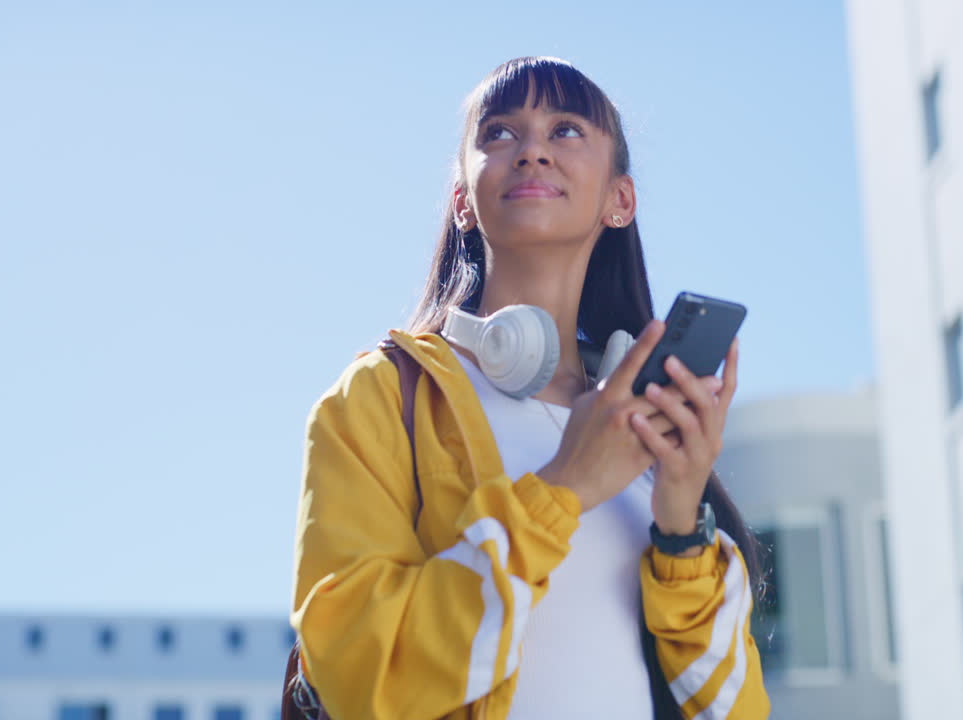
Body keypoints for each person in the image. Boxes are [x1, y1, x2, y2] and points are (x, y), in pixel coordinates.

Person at [290, 56, 770, 720]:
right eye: (500, 133)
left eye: (566, 130)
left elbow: (736, 712)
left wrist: (682, 524)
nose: (533, 151)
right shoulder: (378, 398)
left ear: (619, 200)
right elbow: (358, 674)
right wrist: (566, 487)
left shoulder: (643, 431)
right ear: (463, 198)